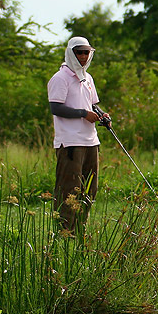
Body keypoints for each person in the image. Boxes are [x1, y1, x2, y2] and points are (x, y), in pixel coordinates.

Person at [47, 36, 110, 231]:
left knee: (89, 189)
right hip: (71, 143)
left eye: (86, 52)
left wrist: (102, 115)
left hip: (91, 141)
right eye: (79, 52)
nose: (83, 56)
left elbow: (92, 104)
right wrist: (83, 114)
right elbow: (55, 108)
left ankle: (81, 229)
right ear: (71, 53)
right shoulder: (60, 78)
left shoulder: (87, 78)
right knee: (69, 189)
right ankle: (65, 232)